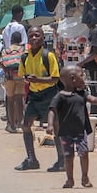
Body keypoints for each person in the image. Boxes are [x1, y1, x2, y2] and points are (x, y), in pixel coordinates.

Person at [16, 28, 61, 171]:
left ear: (42, 38)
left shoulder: (48, 56)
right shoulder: (25, 57)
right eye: (31, 35)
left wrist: (38, 79)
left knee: (56, 128)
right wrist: (28, 80)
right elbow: (22, 75)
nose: (34, 38)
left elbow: (55, 78)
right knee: (25, 125)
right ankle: (31, 159)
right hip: (34, 96)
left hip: (50, 94)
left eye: (37, 35)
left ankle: (62, 161)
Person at [51, 65, 94, 189]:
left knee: (84, 153)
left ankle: (85, 177)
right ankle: (70, 179)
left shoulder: (82, 94)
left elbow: (93, 99)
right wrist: (49, 124)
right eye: (81, 75)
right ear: (72, 78)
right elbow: (52, 110)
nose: (84, 78)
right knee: (68, 156)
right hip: (65, 132)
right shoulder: (60, 96)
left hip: (80, 131)